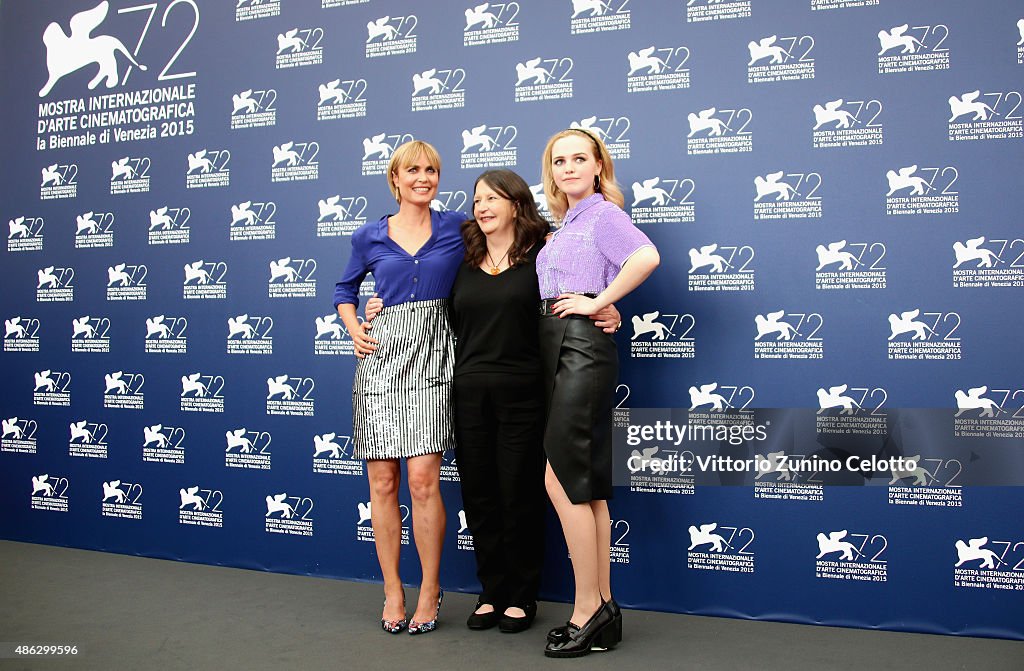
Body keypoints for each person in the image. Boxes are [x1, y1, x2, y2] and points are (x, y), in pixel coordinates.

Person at [365, 169, 622, 634]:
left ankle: (522, 595)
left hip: (525, 390)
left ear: (516, 205)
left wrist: (606, 303)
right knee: (480, 494)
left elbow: (583, 278)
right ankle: (492, 591)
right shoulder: (462, 257)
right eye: (477, 199)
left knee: (519, 493)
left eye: (492, 199)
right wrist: (377, 304)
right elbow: (415, 286)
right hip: (465, 390)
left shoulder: (544, 251)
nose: (481, 207)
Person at [536, 128, 660, 658]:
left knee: (562, 475)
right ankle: (604, 605)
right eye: (559, 160)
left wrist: (598, 301)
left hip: (580, 348)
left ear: (597, 165)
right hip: (559, 345)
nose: (568, 168)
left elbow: (645, 257)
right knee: (585, 482)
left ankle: (586, 609)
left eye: (578, 158)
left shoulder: (604, 214)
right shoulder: (565, 223)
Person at [333, 140, 463, 635]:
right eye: (413, 170)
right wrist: (354, 324)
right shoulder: (369, 235)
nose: (423, 177)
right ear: (395, 179)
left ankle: (430, 588)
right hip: (382, 360)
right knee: (382, 482)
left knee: (423, 482)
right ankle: (393, 589)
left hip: (434, 359)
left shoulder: (457, 227)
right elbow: (344, 290)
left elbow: (502, 259)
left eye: (431, 169)